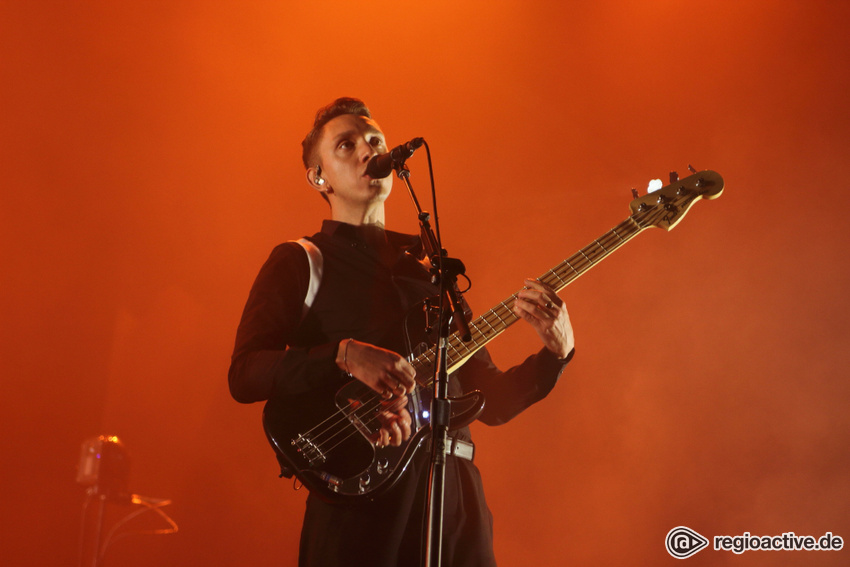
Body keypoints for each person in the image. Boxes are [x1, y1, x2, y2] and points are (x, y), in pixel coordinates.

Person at [228, 97, 575, 567]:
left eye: (375, 140)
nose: (368, 150)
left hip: (455, 500)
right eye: (346, 144)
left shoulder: (432, 274)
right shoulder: (301, 260)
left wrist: (556, 354)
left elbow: (490, 400)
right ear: (319, 176)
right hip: (359, 505)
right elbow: (246, 373)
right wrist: (345, 354)